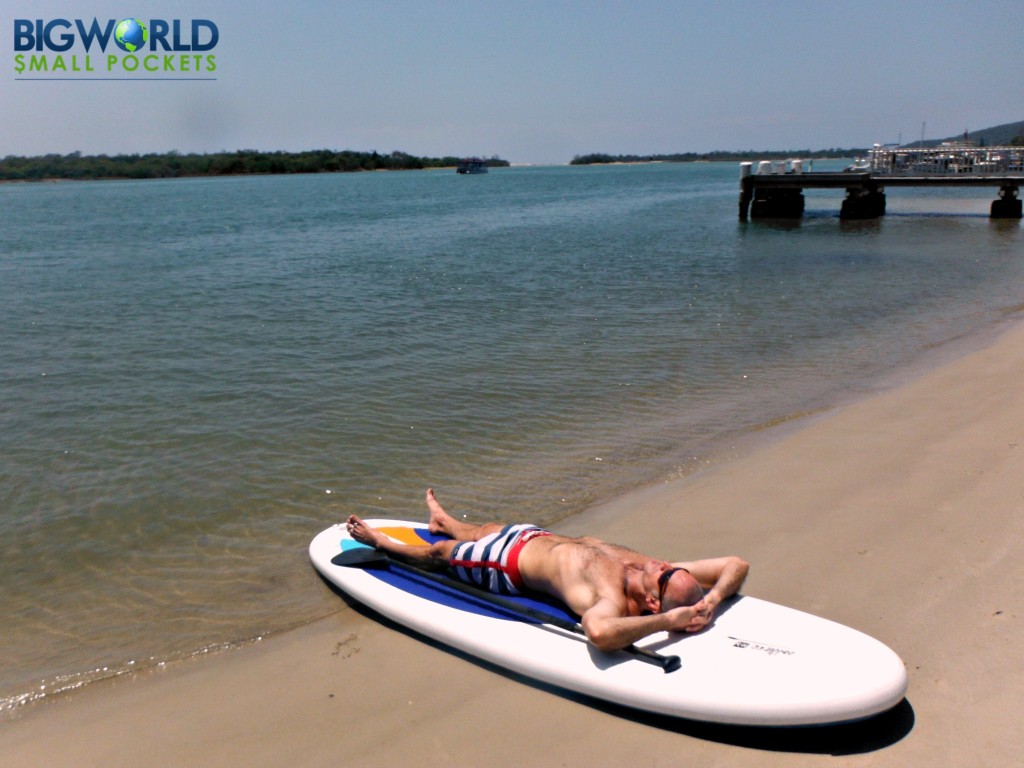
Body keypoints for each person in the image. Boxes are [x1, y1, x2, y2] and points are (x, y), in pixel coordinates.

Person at [345, 489, 749, 652]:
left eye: (665, 576)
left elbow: (600, 633)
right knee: (482, 528)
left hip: (506, 565)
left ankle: (383, 544)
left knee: (443, 554)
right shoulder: (653, 571)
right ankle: (444, 520)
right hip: (534, 537)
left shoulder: (611, 599)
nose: (663, 565)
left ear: (652, 602)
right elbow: (736, 564)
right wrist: (712, 599)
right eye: (670, 568)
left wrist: (670, 622)